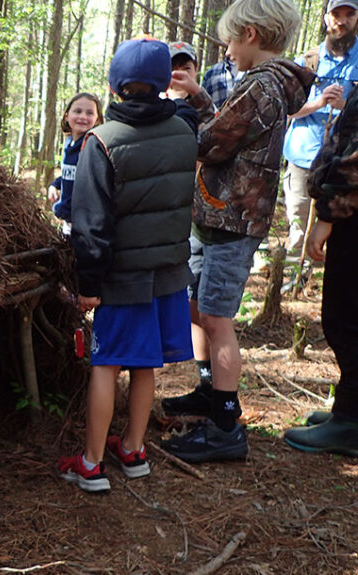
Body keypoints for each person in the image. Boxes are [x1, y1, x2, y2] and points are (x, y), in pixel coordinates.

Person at [160, 0, 315, 463]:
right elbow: (231, 128)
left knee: (218, 321)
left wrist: (167, 124)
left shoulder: (263, 86)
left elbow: (211, 142)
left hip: (232, 222)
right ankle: (210, 393)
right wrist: (201, 97)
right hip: (215, 215)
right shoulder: (260, 85)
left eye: (229, 39)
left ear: (250, 34)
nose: (226, 49)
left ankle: (225, 425)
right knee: (199, 310)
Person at [57, 37, 197, 492]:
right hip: (169, 273)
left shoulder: (102, 142)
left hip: (124, 278)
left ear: (115, 85)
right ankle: (134, 449)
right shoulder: (184, 132)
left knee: (105, 365)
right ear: (162, 82)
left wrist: (88, 283)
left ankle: (92, 462)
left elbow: (90, 224)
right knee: (145, 364)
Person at [282, 87, 358, 456]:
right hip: (347, 212)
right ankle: (347, 409)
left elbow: (354, 160)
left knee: (345, 318)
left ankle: (350, 421)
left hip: (350, 213)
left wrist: (328, 214)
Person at [282, 0, 358, 259]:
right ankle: (292, 276)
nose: (342, 20)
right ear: (326, 18)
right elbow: (287, 109)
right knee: (298, 227)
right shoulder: (306, 61)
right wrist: (318, 103)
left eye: (350, 14)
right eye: (337, 14)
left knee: (338, 233)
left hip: (344, 167)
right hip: (303, 156)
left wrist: (345, 106)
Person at [46, 93, 104, 230]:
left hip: (85, 225)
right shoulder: (68, 144)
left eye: (90, 113)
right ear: (67, 115)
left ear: (97, 120)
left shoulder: (93, 146)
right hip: (68, 222)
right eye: (77, 111)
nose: (83, 117)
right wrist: (55, 185)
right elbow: (71, 174)